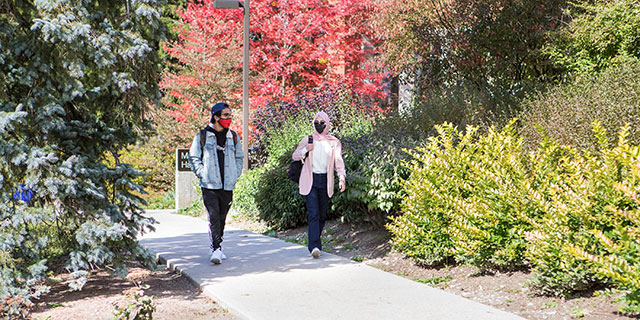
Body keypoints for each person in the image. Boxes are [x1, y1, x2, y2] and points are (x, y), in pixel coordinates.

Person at [189, 102, 244, 264]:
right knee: (213, 216)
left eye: (230, 115)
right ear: (216, 116)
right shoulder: (202, 136)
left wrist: (235, 174)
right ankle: (217, 248)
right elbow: (193, 158)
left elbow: (239, 157)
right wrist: (202, 174)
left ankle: (217, 245)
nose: (229, 118)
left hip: (227, 184)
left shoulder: (233, 136)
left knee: (222, 217)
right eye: (226, 115)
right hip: (209, 185)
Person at [292, 111, 346, 258]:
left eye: (323, 122)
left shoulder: (334, 142)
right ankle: (314, 246)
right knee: (313, 214)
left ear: (327, 124)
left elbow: (338, 161)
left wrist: (341, 177)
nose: (319, 125)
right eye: (317, 122)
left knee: (322, 215)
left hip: (326, 181)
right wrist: (305, 150)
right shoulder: (308, 139)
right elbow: (295, 155)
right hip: (310, 180)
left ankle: (316, 241)